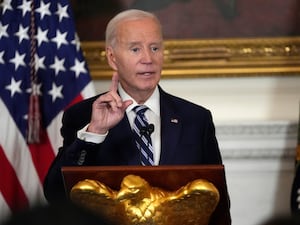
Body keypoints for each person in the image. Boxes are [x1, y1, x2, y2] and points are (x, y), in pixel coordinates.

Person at [43, 9, 225, 204]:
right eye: (135, 49)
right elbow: (56, 195)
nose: (148, 59)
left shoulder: (196, 119)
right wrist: (95, 133)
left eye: (155, 48)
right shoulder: (82, 116)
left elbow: (217, 202)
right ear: (112, 58)